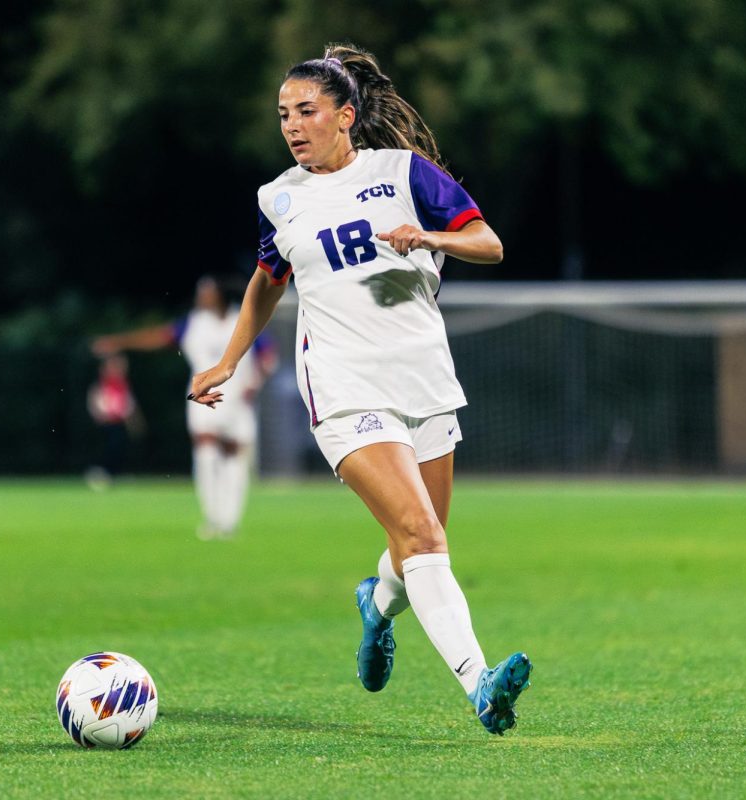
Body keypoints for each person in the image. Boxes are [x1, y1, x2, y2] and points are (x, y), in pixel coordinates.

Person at [188, 44, 531, 735]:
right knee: (419, 532)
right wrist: (229, 358)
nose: (292, 124)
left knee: (420, 548)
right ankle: (480, 686)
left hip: (424, 378)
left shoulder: (406, 174)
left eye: (306, 110)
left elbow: (489, 244)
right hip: (344, 387)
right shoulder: (277, 198)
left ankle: (377, 608)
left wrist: (427, 236)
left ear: (345, 115)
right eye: (283, 113)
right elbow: (267, 280)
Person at [93, 276, 277, 539]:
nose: (201, 297)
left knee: (234, 458)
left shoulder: (242, 318)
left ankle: (230, 520)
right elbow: (158, 336)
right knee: (206, 453)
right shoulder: (194, 324)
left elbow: (267, 354)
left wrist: (256, 381)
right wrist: (119, 341)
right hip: (202, 398)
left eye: (207, 292)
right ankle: (212, 516)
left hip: (238, 400)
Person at [86, 353, 144, 487]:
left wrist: (133, 421)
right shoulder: (102, 385)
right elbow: (95, 403)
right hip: (106, 423)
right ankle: (101, 472)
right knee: (107, 448)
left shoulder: (123, 385)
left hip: (119, 423)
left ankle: (114, 473)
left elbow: (128, 405)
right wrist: (99, 416)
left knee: (119, 448)